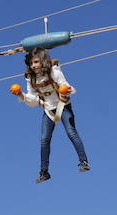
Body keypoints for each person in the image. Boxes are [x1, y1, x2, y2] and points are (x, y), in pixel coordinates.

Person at [12, 49, 90, 183]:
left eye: (36, 62)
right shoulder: (31, 78)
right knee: (44, 140)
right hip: (48, 109)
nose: (34, 66)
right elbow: (34, 100)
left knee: (71, 132)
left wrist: (66, 90)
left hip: (62, 105)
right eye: (31, 63)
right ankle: (44, 172)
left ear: (42, 61)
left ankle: (83, 161)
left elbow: (65, 85)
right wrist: (21, 95)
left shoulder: (54, 72)